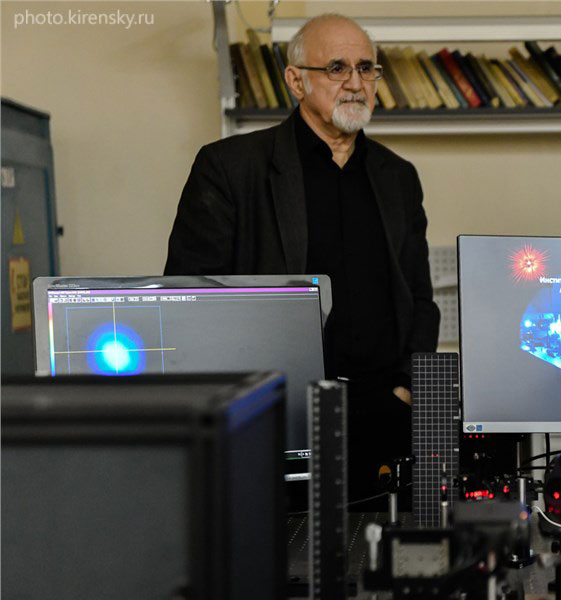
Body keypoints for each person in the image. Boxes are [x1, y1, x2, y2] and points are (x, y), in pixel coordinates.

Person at [164, 13, 440, 508]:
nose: (355, 83)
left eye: (366, 68)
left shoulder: (398, 176)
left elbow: (420, 296)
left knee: (382, 551)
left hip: (383, 416)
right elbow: (190, 300)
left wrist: (406, 389)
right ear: (296, 81)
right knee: (280, 551)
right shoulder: (229, 168)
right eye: (336, 68)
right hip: (276, 418)